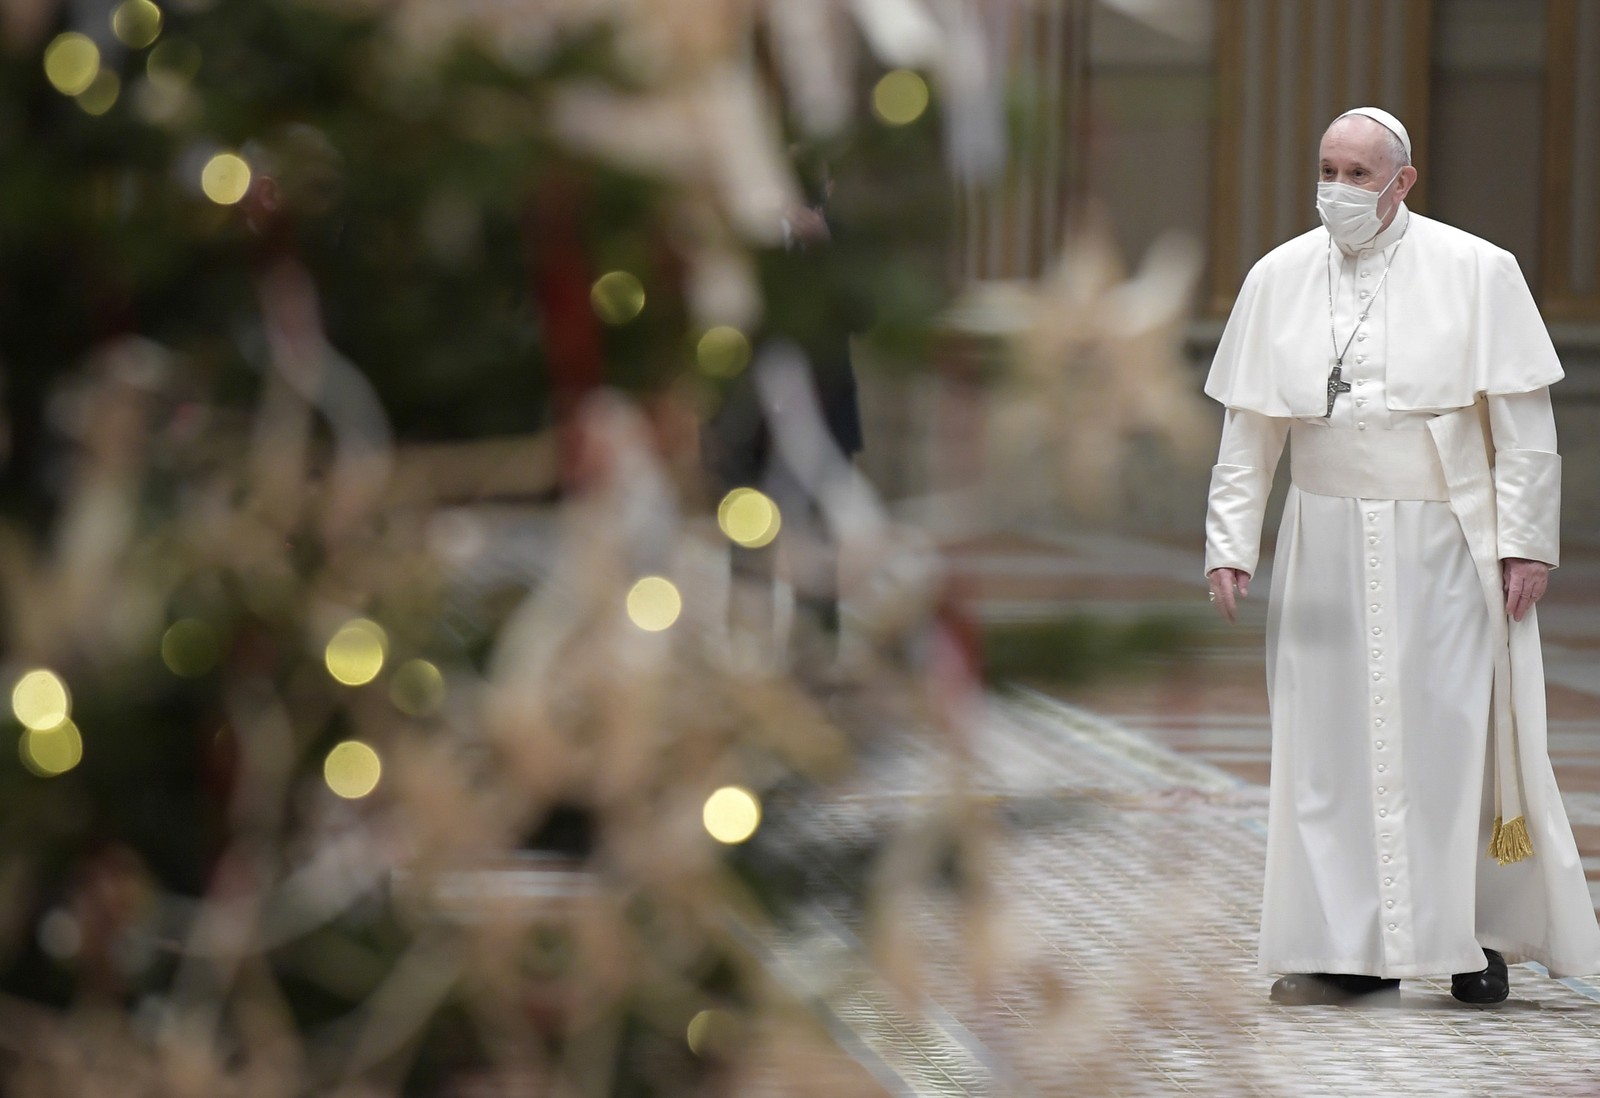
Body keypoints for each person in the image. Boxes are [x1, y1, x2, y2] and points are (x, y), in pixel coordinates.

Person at [1202, 106, 1600, 1006]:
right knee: (1328, 745)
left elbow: (1524, 427)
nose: (1337, 189)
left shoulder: (1477, 269)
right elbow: (1249, 430)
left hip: (1445, 540)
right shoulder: (1278, 276)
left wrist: (1527, 543)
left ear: (1401, 182)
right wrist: (1230, 543)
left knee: (1451, 738)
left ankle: (1466, 937)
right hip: (1323, 542)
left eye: (1357, 173)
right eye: (1328, 170)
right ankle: (1344, 948)